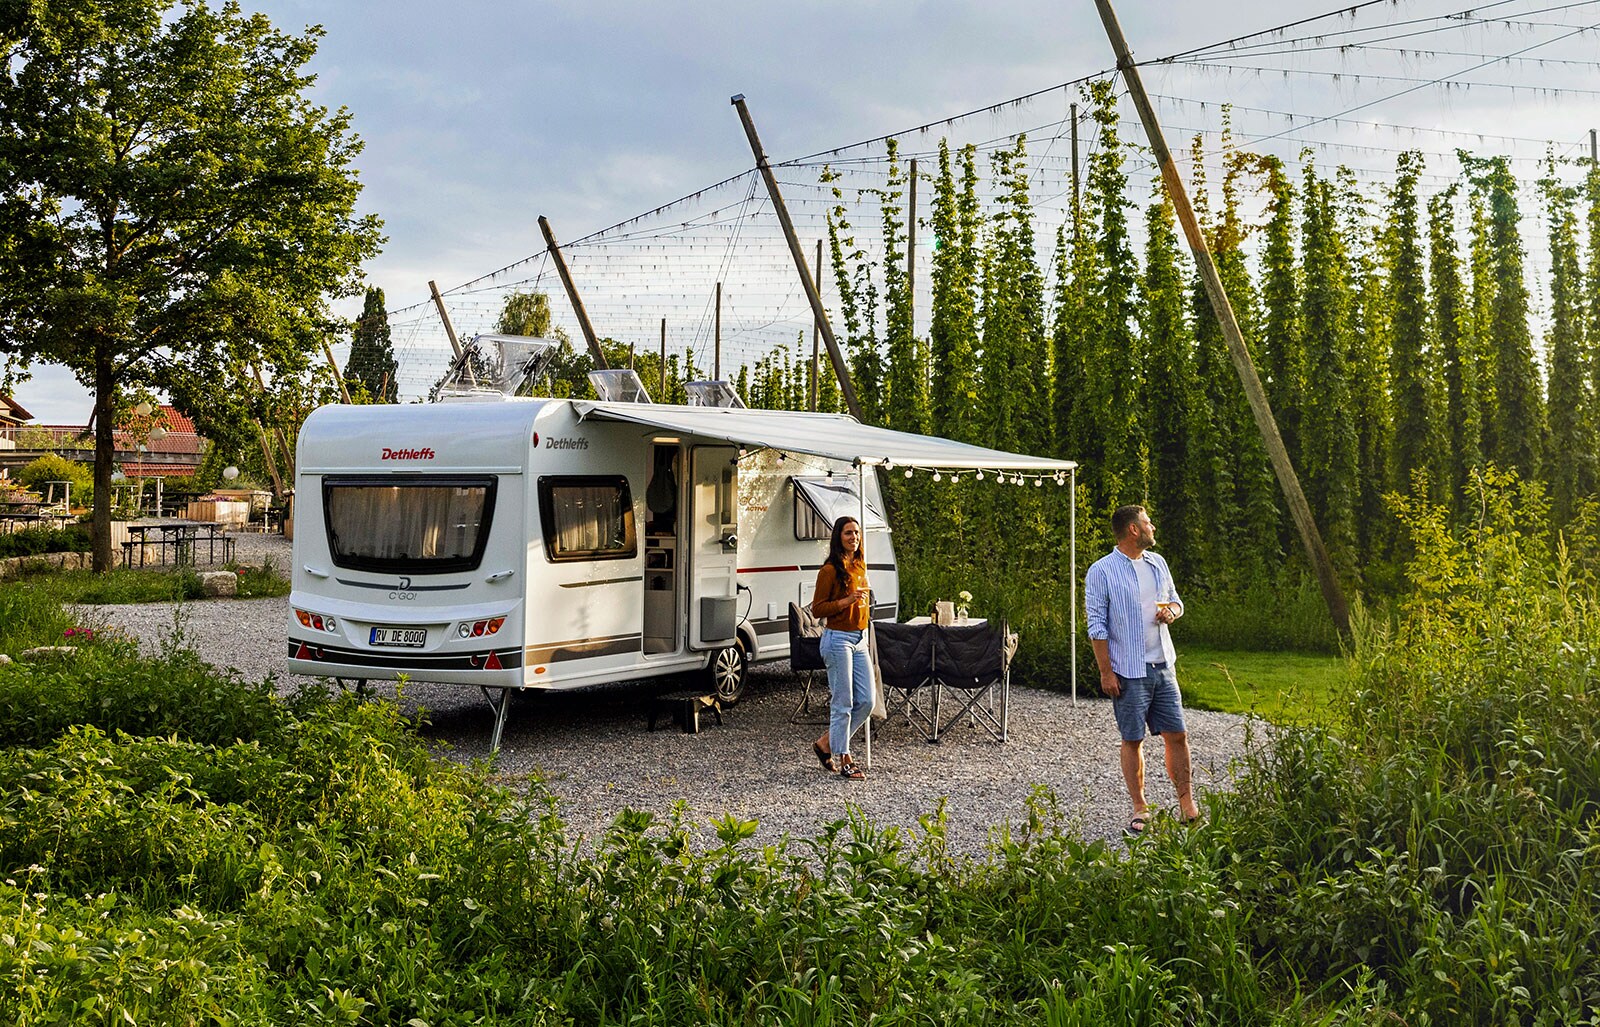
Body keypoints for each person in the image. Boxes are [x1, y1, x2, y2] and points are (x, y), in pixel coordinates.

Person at [1085, 504, 1202, 834]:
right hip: (1128, 670)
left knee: (1177, 735)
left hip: (1163, 665)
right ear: (1133, 529)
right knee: (1132, 738)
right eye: (1148, 523)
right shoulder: (1102, 571)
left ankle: (1187, 805)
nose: (1153, 527)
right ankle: (1140, 808)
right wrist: (1106, 672)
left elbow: (1176, 601)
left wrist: (1172, 613)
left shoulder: (1158, 563)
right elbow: (1096, 625)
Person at [809, 516, 873, 780]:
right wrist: (846, 601)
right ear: (838, 537)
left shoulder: (859, 565)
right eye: (848, 533)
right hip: (838, 639)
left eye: (856, 533)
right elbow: (817, 609)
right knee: (843, 702)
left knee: (867, 701)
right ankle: (845, 757)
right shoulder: (829, 571)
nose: (854, 537)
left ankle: (825, 743)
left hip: (860, 639)